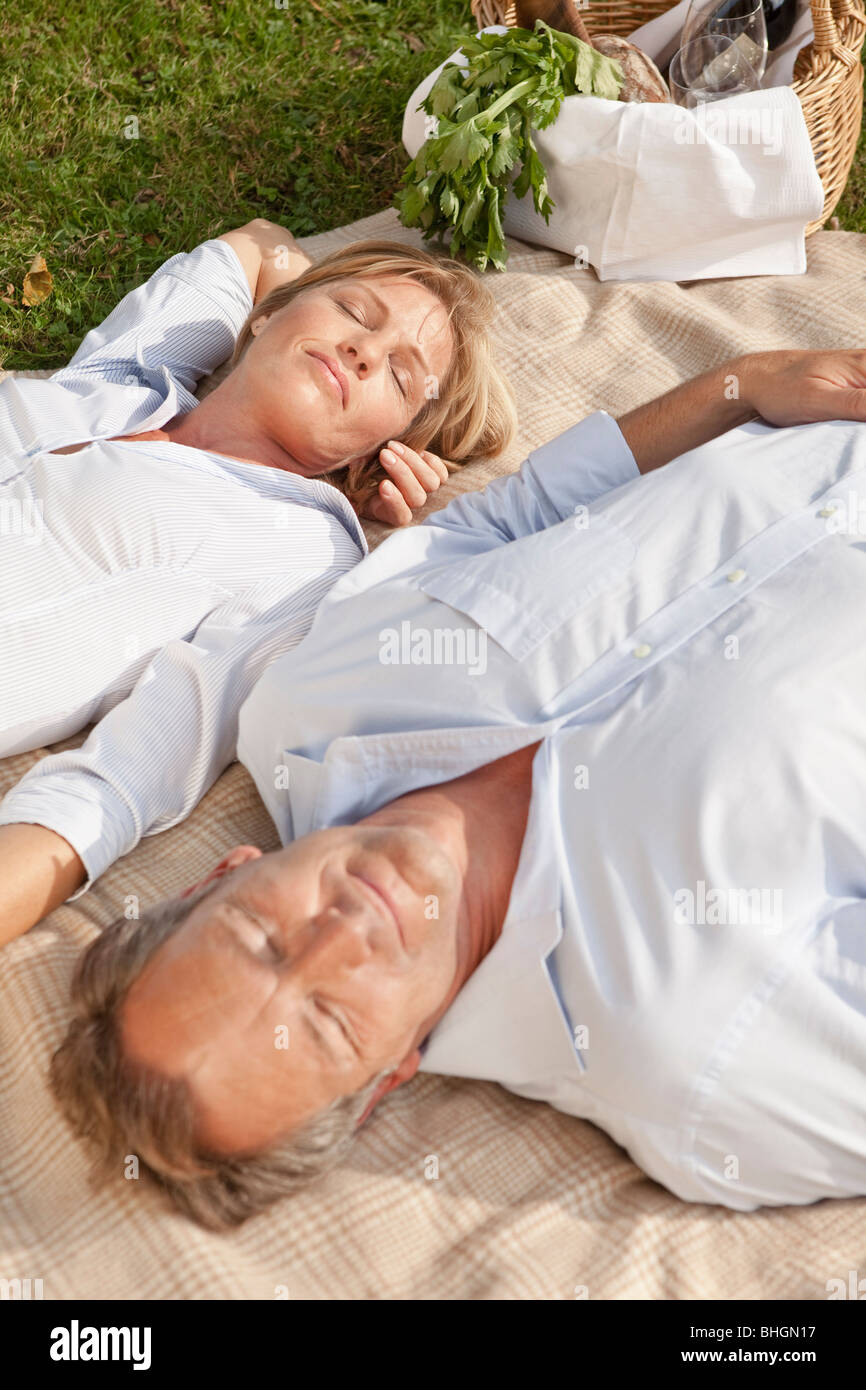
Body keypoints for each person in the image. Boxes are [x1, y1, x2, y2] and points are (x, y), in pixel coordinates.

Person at [42, 345, 866, 1230]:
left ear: (220, 877)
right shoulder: (699, 1072)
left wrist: (738, 385)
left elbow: (514, 519)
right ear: (384, 1078)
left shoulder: (309, 695)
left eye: (259, 936)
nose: (338, 936)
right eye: (329, 1022)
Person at [0, 220, 516, 929]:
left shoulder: (306, 552)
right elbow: (259, 243)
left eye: (399, 376)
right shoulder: (129, 377)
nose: (365, 351)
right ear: (267, 315)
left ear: (388, 443)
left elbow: (126, 778)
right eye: (353, 313)